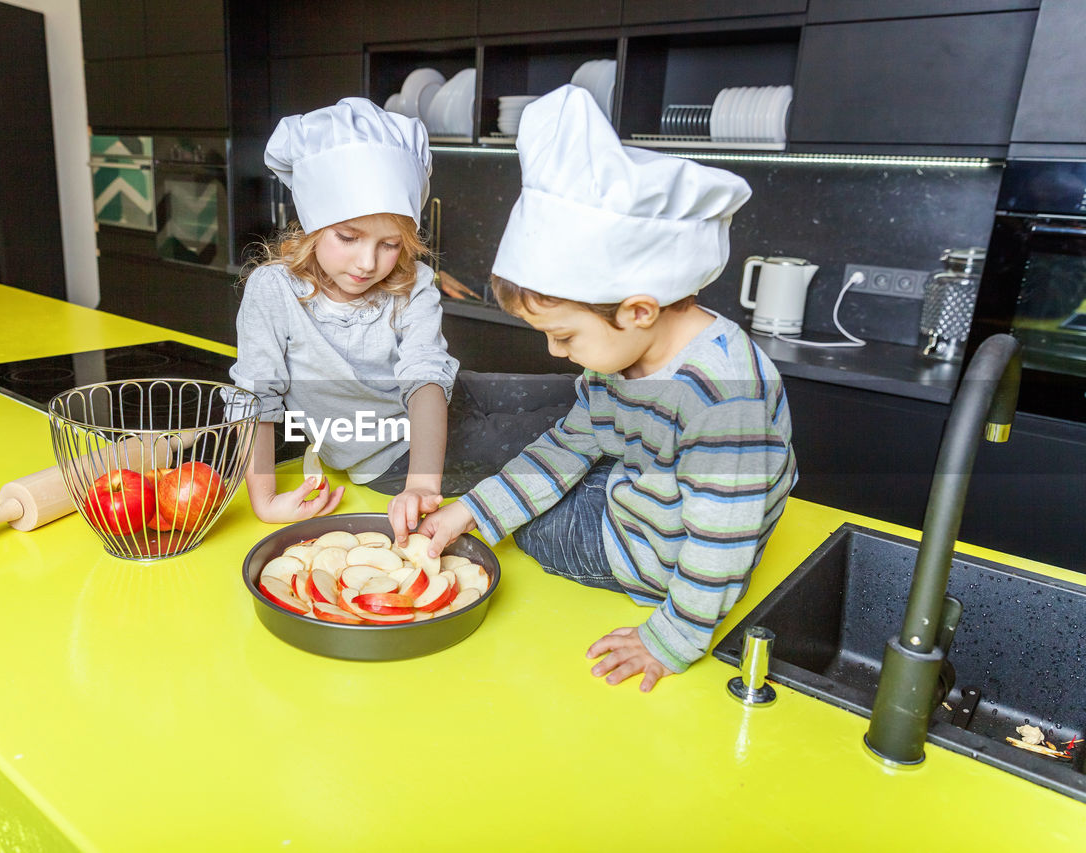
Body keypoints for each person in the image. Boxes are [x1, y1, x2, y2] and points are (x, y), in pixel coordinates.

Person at [419, 85, 798, 693]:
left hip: (659, 561)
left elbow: (721, 543)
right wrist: (471, 511)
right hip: (654, 505)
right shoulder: (623, 357)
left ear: (640, 310)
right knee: (538, 469)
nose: (555, 351)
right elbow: (569, 444)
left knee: (535, 525)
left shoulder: (725, 399)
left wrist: (668, 638)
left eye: (565, 335)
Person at [229, 97, 458, 540]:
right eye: (348, 237)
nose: (367, 263)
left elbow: (426, 376)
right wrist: (265, 501)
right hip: (392, 459)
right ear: (313, 225)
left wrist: (422, 487)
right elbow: (257, 394)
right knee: (563, 446)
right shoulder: (274, 290)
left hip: (431, 431)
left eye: (390, 244)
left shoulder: (415, 283)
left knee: (577, 403)